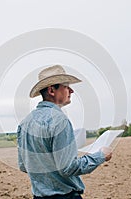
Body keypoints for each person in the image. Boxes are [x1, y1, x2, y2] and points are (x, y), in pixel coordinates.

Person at [17, 65, 112, 199]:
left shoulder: (24, 123)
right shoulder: (60, 121)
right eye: (66, 86)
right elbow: (68, 168)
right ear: (51, 90)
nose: (71, 90)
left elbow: (23, 165)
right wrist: (100, 156)